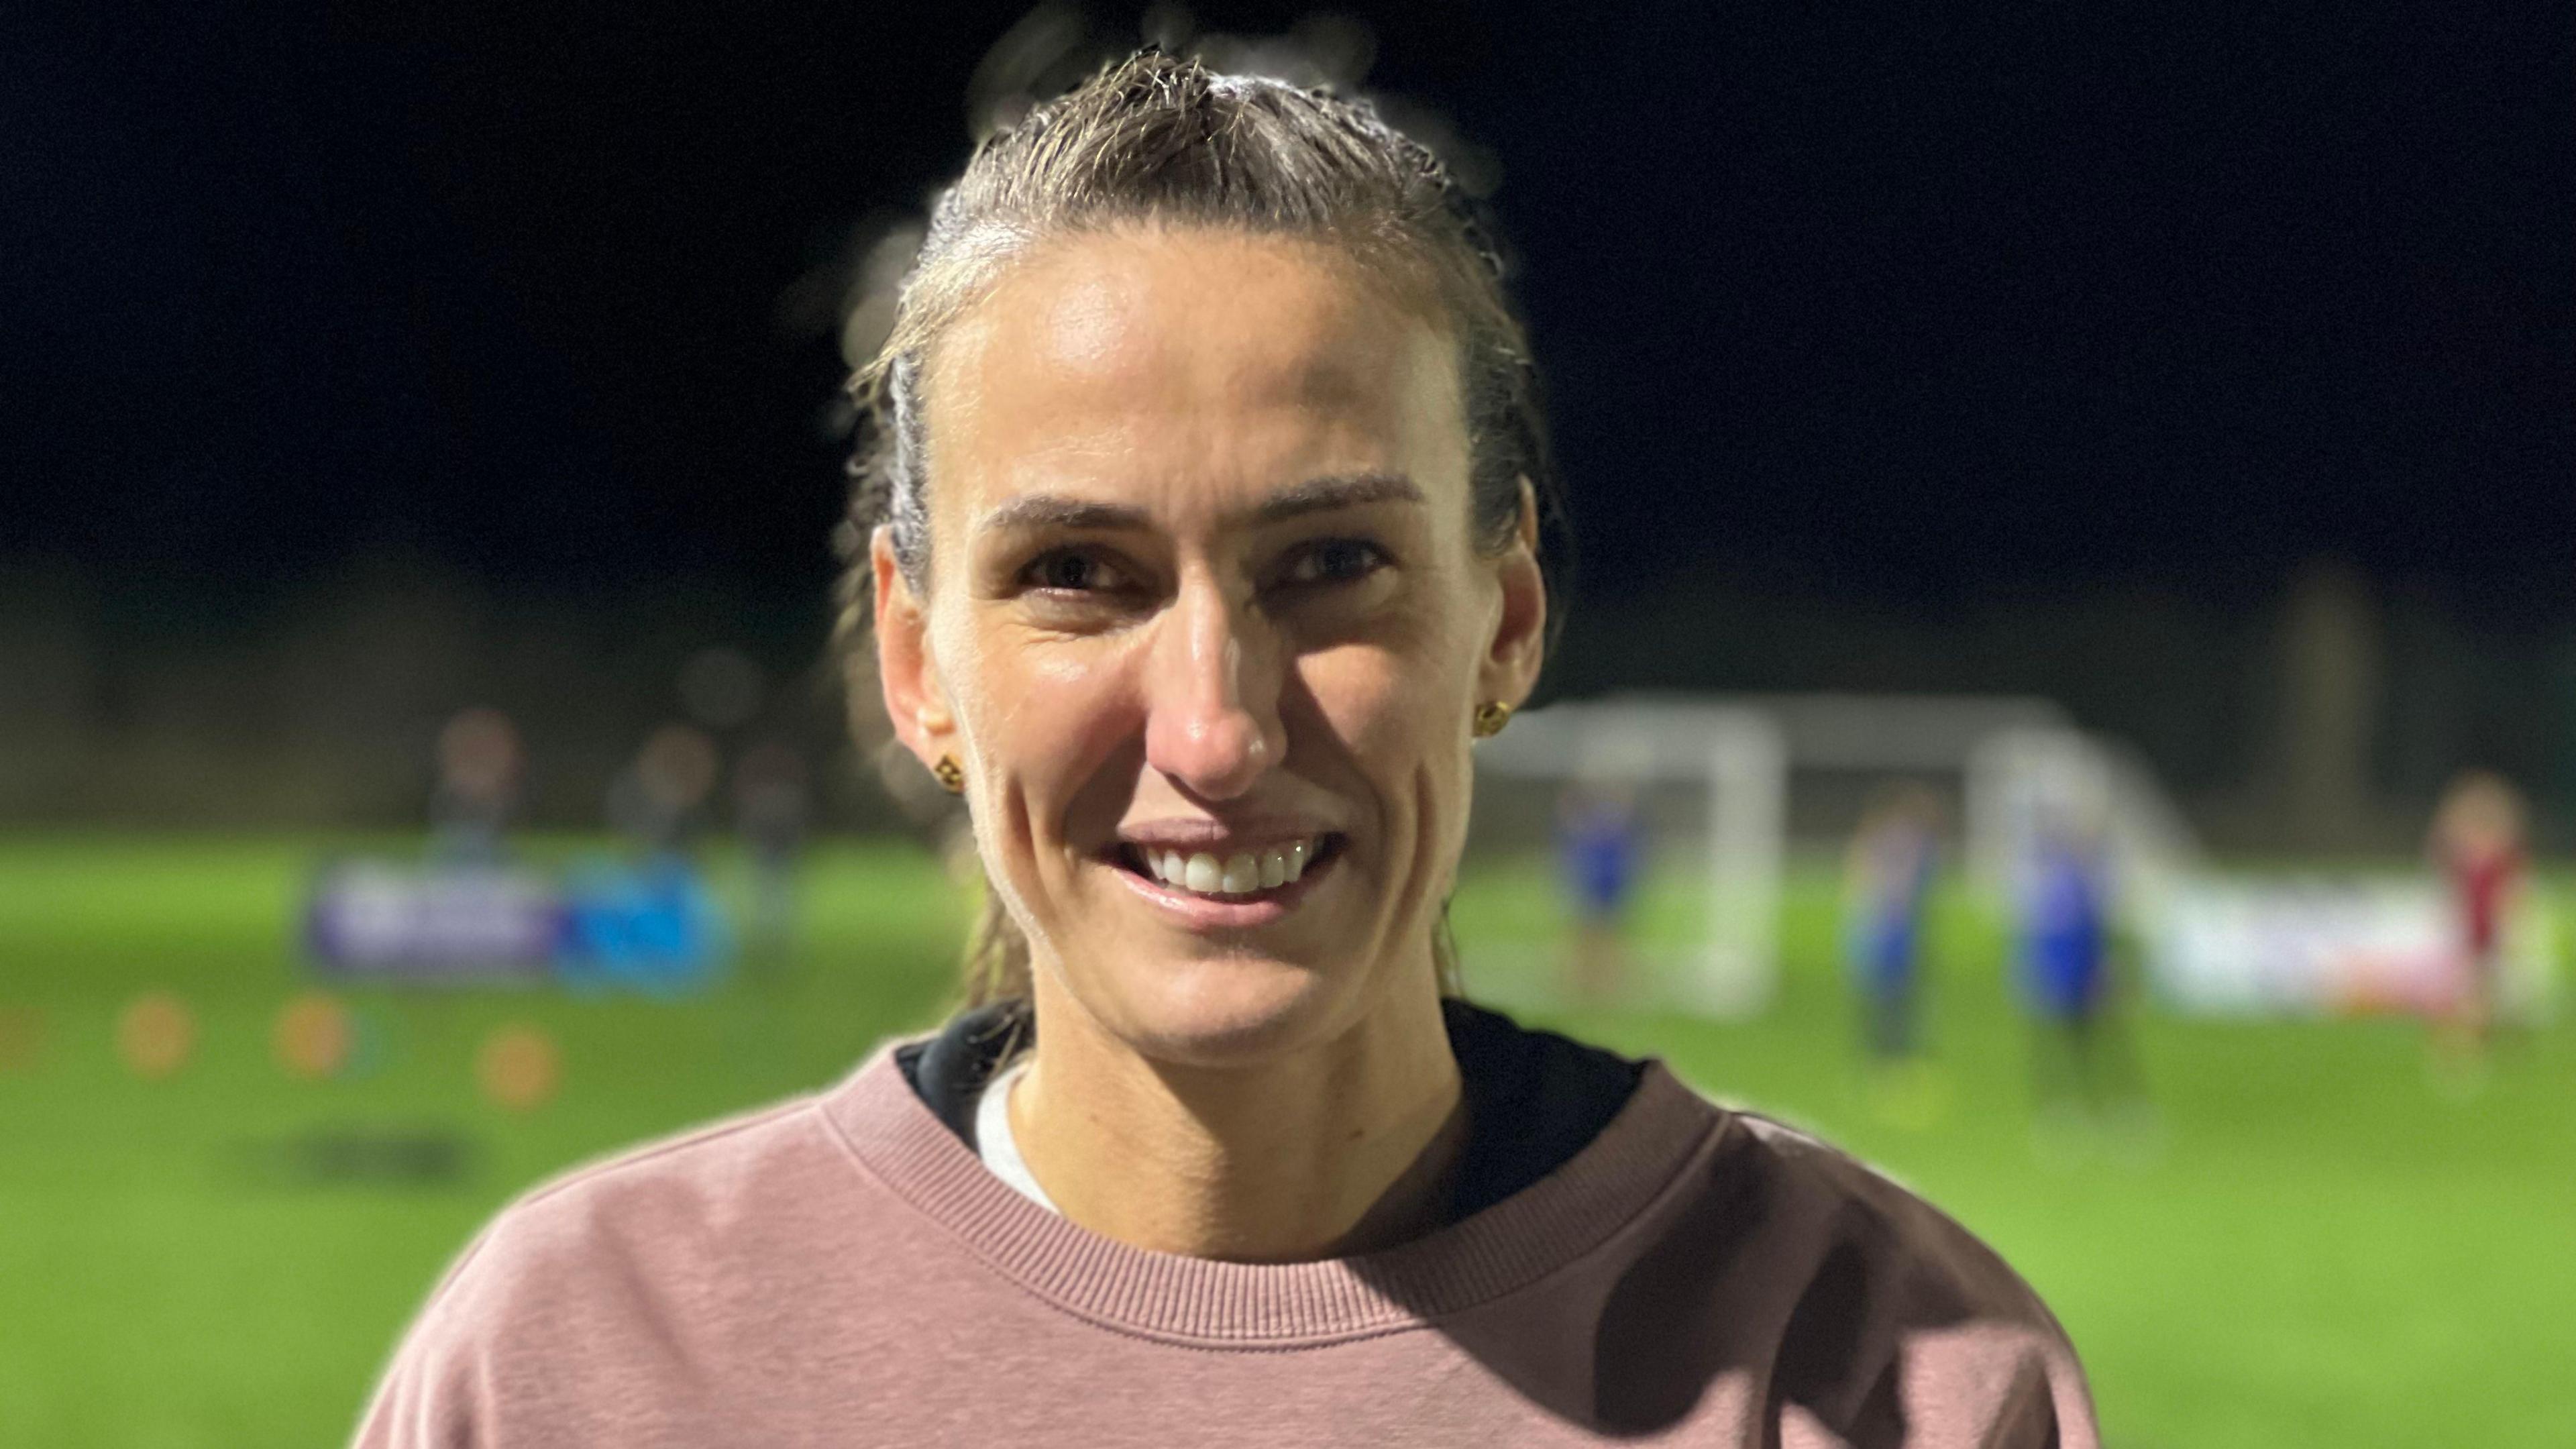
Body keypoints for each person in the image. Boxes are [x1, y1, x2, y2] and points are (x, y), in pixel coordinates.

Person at [356, 53, 2096, 1447]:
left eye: (1330, 565)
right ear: (916, 662)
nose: (1215, 726)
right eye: (1076, 577)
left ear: (1502, 617)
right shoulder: (579, 1366)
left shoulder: (1870, 1366)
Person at [2426, 769, 2526, 1079]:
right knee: (2471, 991)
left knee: (2482, 991)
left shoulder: (2497, 859)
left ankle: (2469, 1043)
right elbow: (2442, 844)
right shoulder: (2465, 858)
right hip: (2469, 929)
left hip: (2487, 929)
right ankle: (2462, 1044)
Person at [1554, 780, 1643, 1002]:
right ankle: (1583, 979)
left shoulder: (1616, 823)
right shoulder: (1590, 822)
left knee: (1606, 933)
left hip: (1608, 884)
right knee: (1588, 933)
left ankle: (1603, 980)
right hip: (1593, 883)